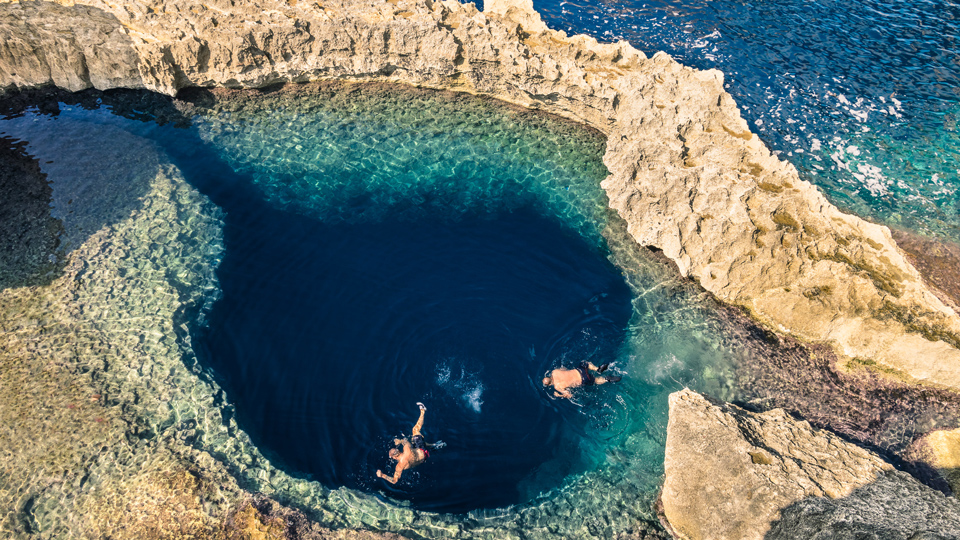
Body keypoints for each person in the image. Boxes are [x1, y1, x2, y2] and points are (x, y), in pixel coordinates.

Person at [376, 402, 443, 484]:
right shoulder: (407, 449)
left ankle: (434, 446)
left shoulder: (399, 467)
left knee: (415, 441)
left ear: (394, 457)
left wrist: (382, 475)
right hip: (422, 451)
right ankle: (423, 410)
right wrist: (399, 441)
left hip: (422, 460)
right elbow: (405, 440)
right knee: (415, 431)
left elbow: (394, 481)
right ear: (397, 453)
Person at [543, 361, 621, 399]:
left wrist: (559, 395)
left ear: (549, 384)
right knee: (585, 363)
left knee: (596, 381)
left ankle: (606, 379)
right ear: (549, 377)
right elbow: (564, 369)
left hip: (583, 380)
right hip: (580, 370)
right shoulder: (554, 372)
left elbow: (569, 395)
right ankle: (597, 369)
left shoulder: (557, 387)